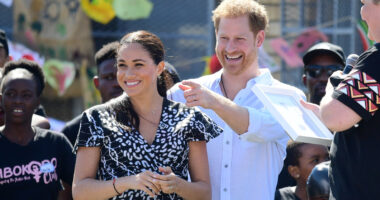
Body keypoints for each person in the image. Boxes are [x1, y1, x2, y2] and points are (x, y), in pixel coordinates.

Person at [167, 0, 305, 199]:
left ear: (259, 39)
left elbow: (257, 128)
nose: (230, 48)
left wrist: (214, 102)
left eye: (240, 38)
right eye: (224, 38)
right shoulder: (182, 93)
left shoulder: (287, 97)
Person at [72, 30, 222, 200]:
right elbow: (80, 191)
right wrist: (127, 182)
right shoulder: (96, 119)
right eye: (122, 65)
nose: (128, 74)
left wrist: (177, 185)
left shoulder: (190, 118)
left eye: (138, 64)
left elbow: (204, 193)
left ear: (159, 68)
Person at [301, 0, 380, 199]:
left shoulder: (377, 62)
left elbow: (335, 118)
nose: (362, 13)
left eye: (365, 3)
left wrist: (333, 86)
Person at [0, 59, 75, 199]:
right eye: (10, 94)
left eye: (26, 95)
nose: (18, 100)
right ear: (1, 99)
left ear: (37, 102)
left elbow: (82, 187)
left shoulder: (56, 143)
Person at [276, 42, 345, 189]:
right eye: (314, 71)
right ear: (304, 79)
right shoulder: (291, 125)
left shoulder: (357, 124)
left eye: (333, 71)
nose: (324, 78)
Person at [62, 41, 123, 145]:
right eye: (108, 77)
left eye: (121, 77)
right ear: (97, 83)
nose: (117, 84)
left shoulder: (149, 126)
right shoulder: (75, 130)